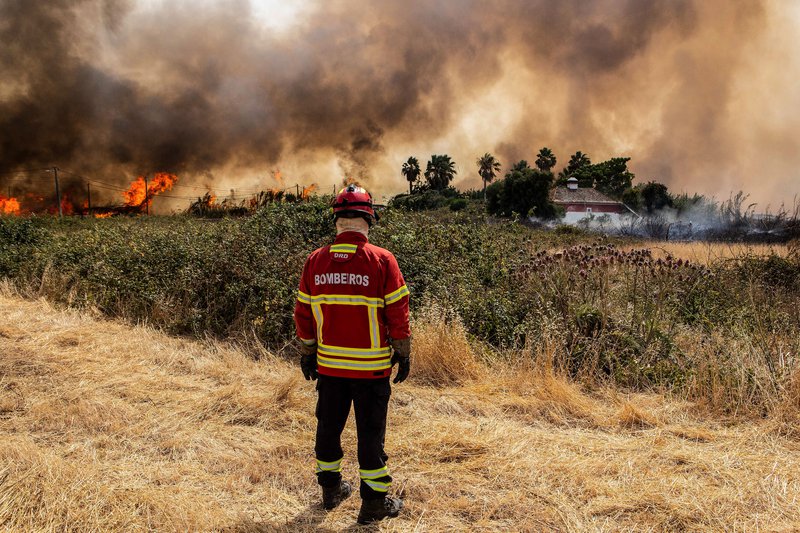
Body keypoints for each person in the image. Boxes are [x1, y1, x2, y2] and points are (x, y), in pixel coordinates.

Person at [293, 184, 411, 525]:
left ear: (337, 221)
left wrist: (308, 352)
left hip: (330, 368)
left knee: (328, 428)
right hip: (371, 371)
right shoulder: (382, 260)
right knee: (370, 434)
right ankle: (373, 504)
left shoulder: (315, 261)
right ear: (368, 220)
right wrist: (403, 350)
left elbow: (303, 313)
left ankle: (331, 490)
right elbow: (398, 312)